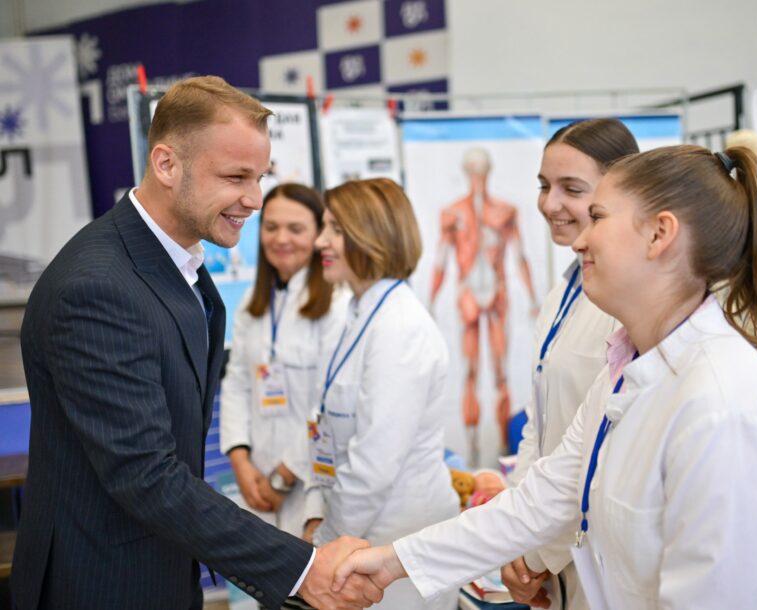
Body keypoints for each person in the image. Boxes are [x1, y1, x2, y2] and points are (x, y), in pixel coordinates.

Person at [334, 145, 757, 610]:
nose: (582, 239)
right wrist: (392, 561)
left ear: (660, 234)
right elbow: (542, 499)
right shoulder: (626, 372)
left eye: (598, 216)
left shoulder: (723, 406)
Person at [12, 76, 380, 610]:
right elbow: (146, 473)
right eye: (235, 177)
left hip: (160, 562)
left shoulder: (178, 266)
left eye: (260, 177)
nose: (254, 200)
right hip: (100, 580)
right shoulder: (96, 288)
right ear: (166, 165)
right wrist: (304, 569)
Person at [503, 119, 639, 609]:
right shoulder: (562, 290)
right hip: (548, 543)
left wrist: (539, 553)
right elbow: (539, 431)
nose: (549, 204)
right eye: (544, 186)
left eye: (571, 189)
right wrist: (517, 538)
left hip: (595, 553)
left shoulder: (629, 305)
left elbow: (603, 457)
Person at [305, 178, 460, 609]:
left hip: (400, 539)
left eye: (334, 228)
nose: (320, 241)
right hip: (362, 532)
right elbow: (329, 429)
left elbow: (373, 463)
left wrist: (324, 544)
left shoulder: (400, 328)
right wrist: (319, 512)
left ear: (369, 234)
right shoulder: (357, 312)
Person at [220, 183, 348, 537]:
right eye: (271, 227)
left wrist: (284, 476)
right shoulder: (252, 302)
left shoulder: (337, 305)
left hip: (311, 485)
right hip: (257, 484)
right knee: (266, 587)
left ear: (319, 234)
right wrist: (240, 460)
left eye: (296, 229)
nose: (281, 239)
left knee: (310, 587)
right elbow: (237, 384)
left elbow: (327, 403)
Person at [429, 147, 539, 462]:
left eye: (481, 170)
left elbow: (519, 255)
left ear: (489, 171)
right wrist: (430, 301)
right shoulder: (453, 213)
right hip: (467, 293)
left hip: (497, 292)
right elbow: (440, 259)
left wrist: (532, 298)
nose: (477, 177)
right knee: (471, 372)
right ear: (466, 172)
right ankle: (475, 447)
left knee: (501, 373)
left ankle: (504, 446)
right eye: (473, 170)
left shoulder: (505, 211)